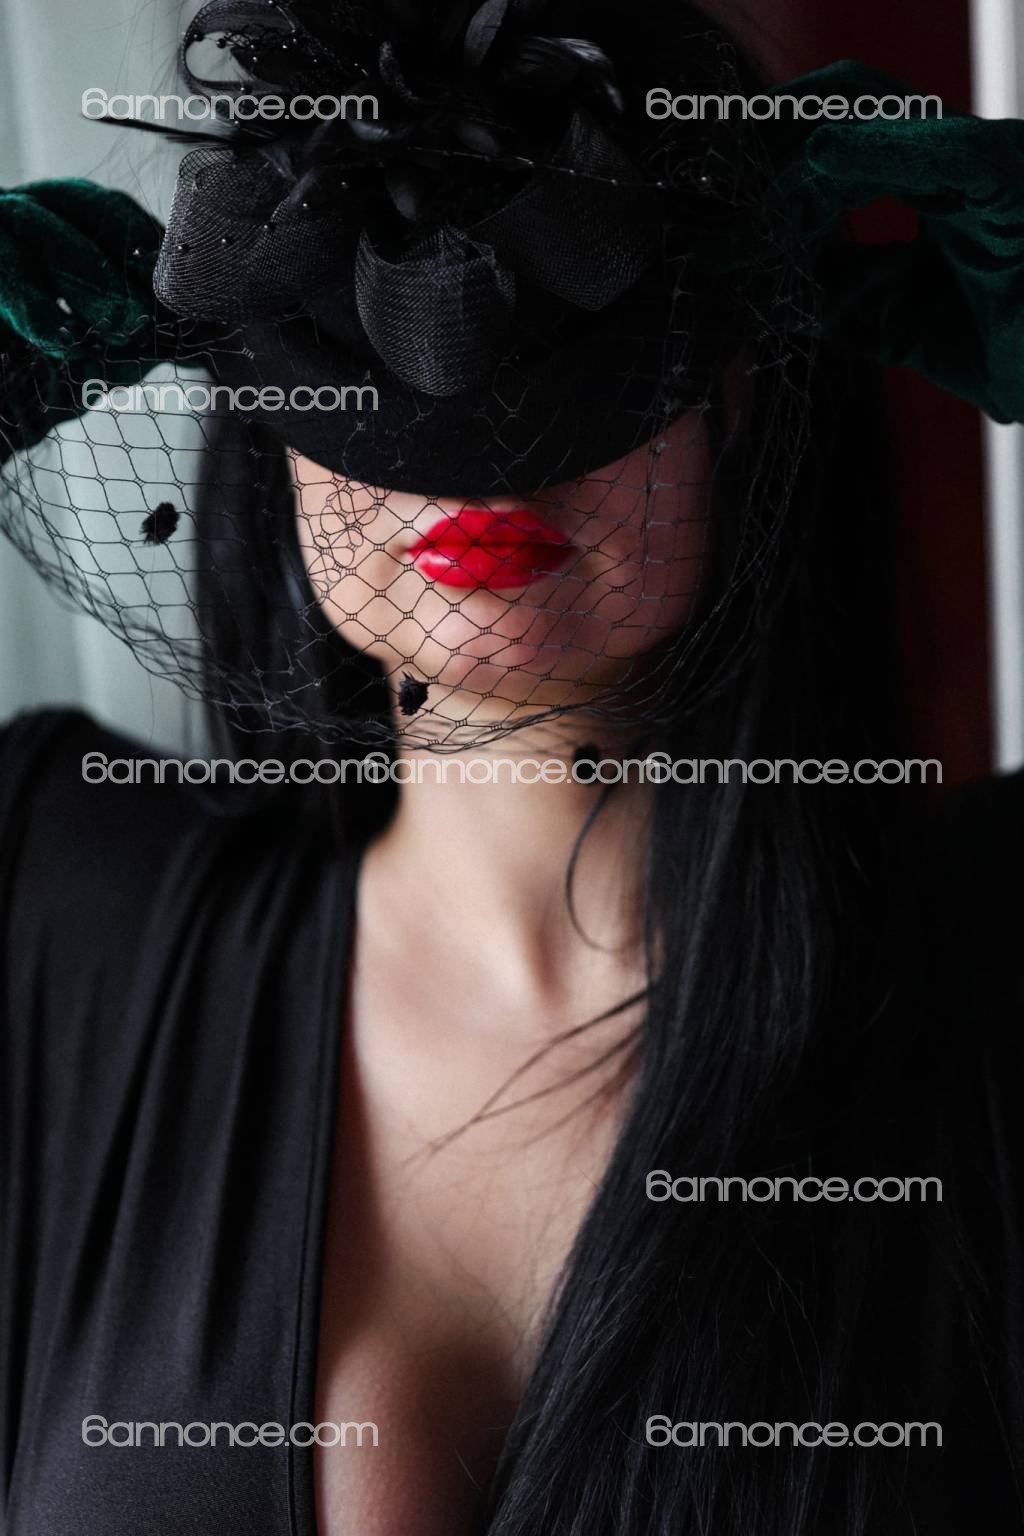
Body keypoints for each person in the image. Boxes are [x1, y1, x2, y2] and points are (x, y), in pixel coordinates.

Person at [1, 2, 1023, 1532]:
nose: (485, 443)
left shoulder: (993, 959)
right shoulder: (52, 898)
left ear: (741, 389)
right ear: (271, 415)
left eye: (582, 334)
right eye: (363, 334)